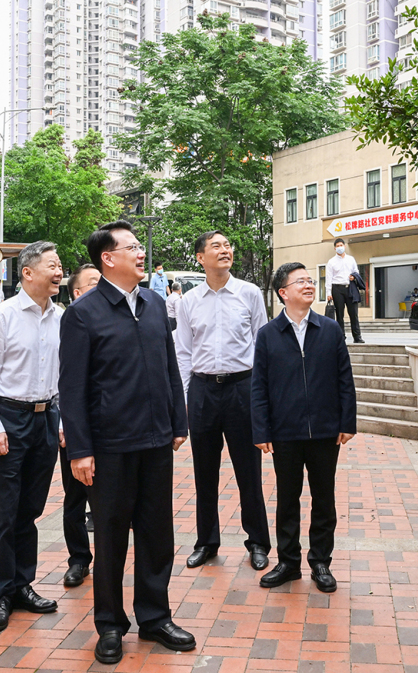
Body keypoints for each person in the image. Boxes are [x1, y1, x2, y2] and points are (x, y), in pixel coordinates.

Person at [60, 221, 195, 662]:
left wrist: (179, 421)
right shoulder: (83, 313)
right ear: (108, 258)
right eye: (132, 247)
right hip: (110, 446)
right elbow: (73, 388)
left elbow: (169, 367)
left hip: (156, 442)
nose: (141, 253)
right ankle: (110, 625)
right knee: (113, 538)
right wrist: (80, 449)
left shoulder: (156, 305)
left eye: (140, 246)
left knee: (157, 534)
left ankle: (155, 617)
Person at [0, 241, 64, 632]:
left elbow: (65, 376)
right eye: (52, 265)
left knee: (30, 510)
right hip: (8, 419)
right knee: (4, 514)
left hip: (45, 419)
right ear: (27, 272)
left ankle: (23, 584)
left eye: (60, 266)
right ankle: (0, 595)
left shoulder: (62, 317)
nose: (59, 272)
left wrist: (62, 421)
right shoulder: (3, 316)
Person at [252, 263, 357, 592]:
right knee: (287, 498)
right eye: (301, 282)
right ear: (283, 292)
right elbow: (259, 387)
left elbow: (345, 379)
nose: (309, 285)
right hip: (285, 432)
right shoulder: (268, 334)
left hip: (326, 430)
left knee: (324, 499)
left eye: (311, 281)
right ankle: (288, 562)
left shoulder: (330, 329)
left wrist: (347, 421)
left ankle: (321, 562)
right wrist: (262, 430)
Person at [175, 230, 271, 573]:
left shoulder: (249, 293)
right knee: (204, 473)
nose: (225, 250)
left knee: (249, 471)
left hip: (241, 389)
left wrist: (261, 398)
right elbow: (183, 353)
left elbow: (262, 346)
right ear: (200, 257)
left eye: (228, 244)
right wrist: (187, 398)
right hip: (202, 391)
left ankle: (258, 542)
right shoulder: (188, 301)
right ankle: (207, 542)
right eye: (216, 246)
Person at [57, 263, 103, 589]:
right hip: (72, 427)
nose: (100, 288)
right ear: (76, 292)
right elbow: (61, 381)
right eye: (92, 284)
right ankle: (78, 560)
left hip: (106, 429)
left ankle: (108, 561)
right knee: (75, 498)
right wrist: (64, 423)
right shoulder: (69, 321)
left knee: (106, 501)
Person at [325, 238, 365, 344]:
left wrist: (353, 276)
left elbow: (356, 271)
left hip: (350, 288)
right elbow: (328, 278)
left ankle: (357, 336)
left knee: (354, 314)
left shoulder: (351, 259)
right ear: (334, 248)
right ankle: (341, 337)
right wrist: (329, 293)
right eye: (337, 246)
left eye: (341, 245)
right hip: (337, 289)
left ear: (345, 246)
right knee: (339, 314)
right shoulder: (331, 262)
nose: (340, 247)